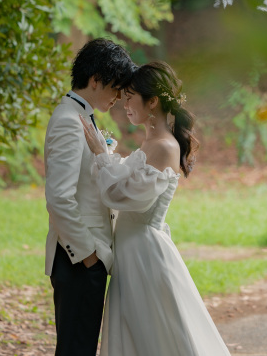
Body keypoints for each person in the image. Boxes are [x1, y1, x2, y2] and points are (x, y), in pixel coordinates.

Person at [79, 61, 231, 356]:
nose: (124, 105)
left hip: (144, 254)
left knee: (155, 335)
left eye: (130, 97)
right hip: (131, 251)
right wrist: (109, 157)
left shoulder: (165, 146)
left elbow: (126, 196)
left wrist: (101, 155)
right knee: (138, 334)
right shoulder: (151, 142)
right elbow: (130, 179)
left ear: (153, 101)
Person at [44, 38, 134, 356]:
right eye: (116, 87)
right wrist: (88, 256)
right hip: (79, 261)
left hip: (86, 262)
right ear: (95, 80)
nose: (119, 97)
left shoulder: (81, 115)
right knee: (75, 350)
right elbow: (58, 198)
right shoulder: (69, 122)